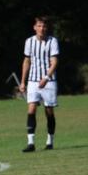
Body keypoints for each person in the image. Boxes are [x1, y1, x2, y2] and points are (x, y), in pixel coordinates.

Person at [19, 16, 60, 152]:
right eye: (39, 26)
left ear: (47, 28)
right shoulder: (29, 41)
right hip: (33, 81)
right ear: (35, 27)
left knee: (49, 111)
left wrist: (46, 77)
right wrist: (23, 81)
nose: (42, 29)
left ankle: (50, 141)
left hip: (49, 81)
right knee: (31, 109)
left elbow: (54, 62)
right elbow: (27, 61)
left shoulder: (52, 41)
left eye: (44, 26)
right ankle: (31, 143)